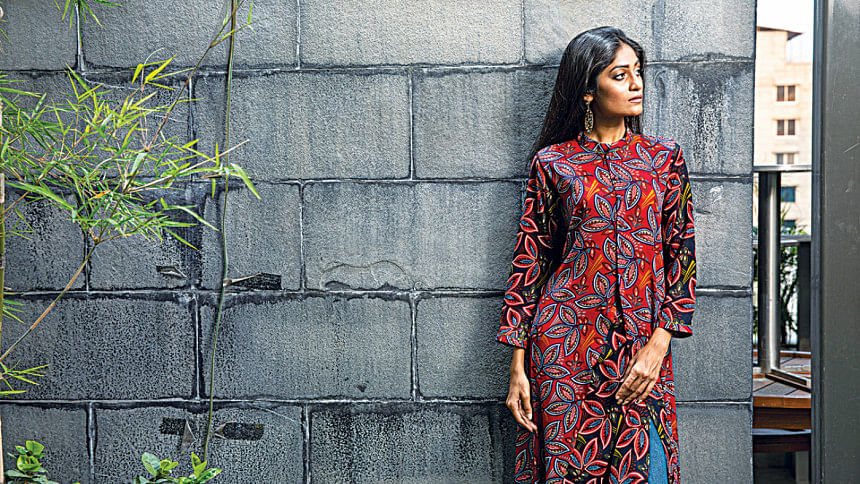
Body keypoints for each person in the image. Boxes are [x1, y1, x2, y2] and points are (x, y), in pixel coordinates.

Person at [496, 26, 697, 483]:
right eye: (620, 75)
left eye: (638, 72)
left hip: (640, 347)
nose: (636, 83)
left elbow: (682, 260)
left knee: (648, 467)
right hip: (565, 347)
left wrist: (658, 345)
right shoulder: (554, 163)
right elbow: (530, 261)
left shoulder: (664, 160)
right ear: (589, 90)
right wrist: (518, 366)